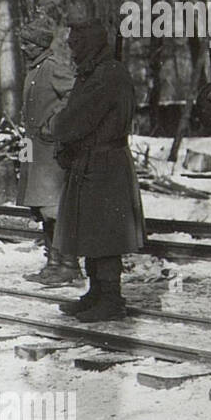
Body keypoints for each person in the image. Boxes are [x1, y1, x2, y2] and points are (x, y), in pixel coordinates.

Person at [47, 20, 146, 322]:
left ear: (90, 44)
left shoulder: (107, 76)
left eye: (77, 45)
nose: (73, 52)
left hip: (105, 165)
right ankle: (96, 293)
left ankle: (112, 299)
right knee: (90, 232)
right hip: (92, 162)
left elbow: (74, 120)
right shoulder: (95, 72)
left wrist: (56, 125)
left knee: (105, 236)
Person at [16, 19, 79, 286]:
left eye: (27, 43)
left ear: (40, 45)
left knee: (56, 210)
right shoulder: (35, 69)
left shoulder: (53, 68)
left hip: (51, 152)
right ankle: (53, 263)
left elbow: (76, 94)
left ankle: (69, 265)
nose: (22, 47)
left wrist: (55, 121)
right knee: (41, 209)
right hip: (33, 151)